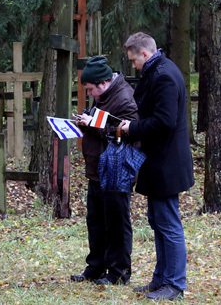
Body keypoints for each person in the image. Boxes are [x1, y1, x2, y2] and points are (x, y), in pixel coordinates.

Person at [116, 32, 194, 301]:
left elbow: (165, 121)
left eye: (133, 60)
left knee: (168, 223)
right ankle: (161, 278)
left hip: (166, 162)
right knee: (157, 220)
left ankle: (174, 284)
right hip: (158, 160)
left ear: (145, 54)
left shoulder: (164, 76)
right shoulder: (158, 70)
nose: (133, 65)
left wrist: (132, 128)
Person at [69, 55, 137, 286]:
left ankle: (118, 272)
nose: (89, 94)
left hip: (117, 169)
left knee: (116, 222)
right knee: (96, 220)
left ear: (103, 82)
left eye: (90, 89)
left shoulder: (124, 98)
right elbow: (104, 123)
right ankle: (96, 266)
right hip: (98, 167)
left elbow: (128, 133)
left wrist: (94, 125)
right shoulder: (104, 96)